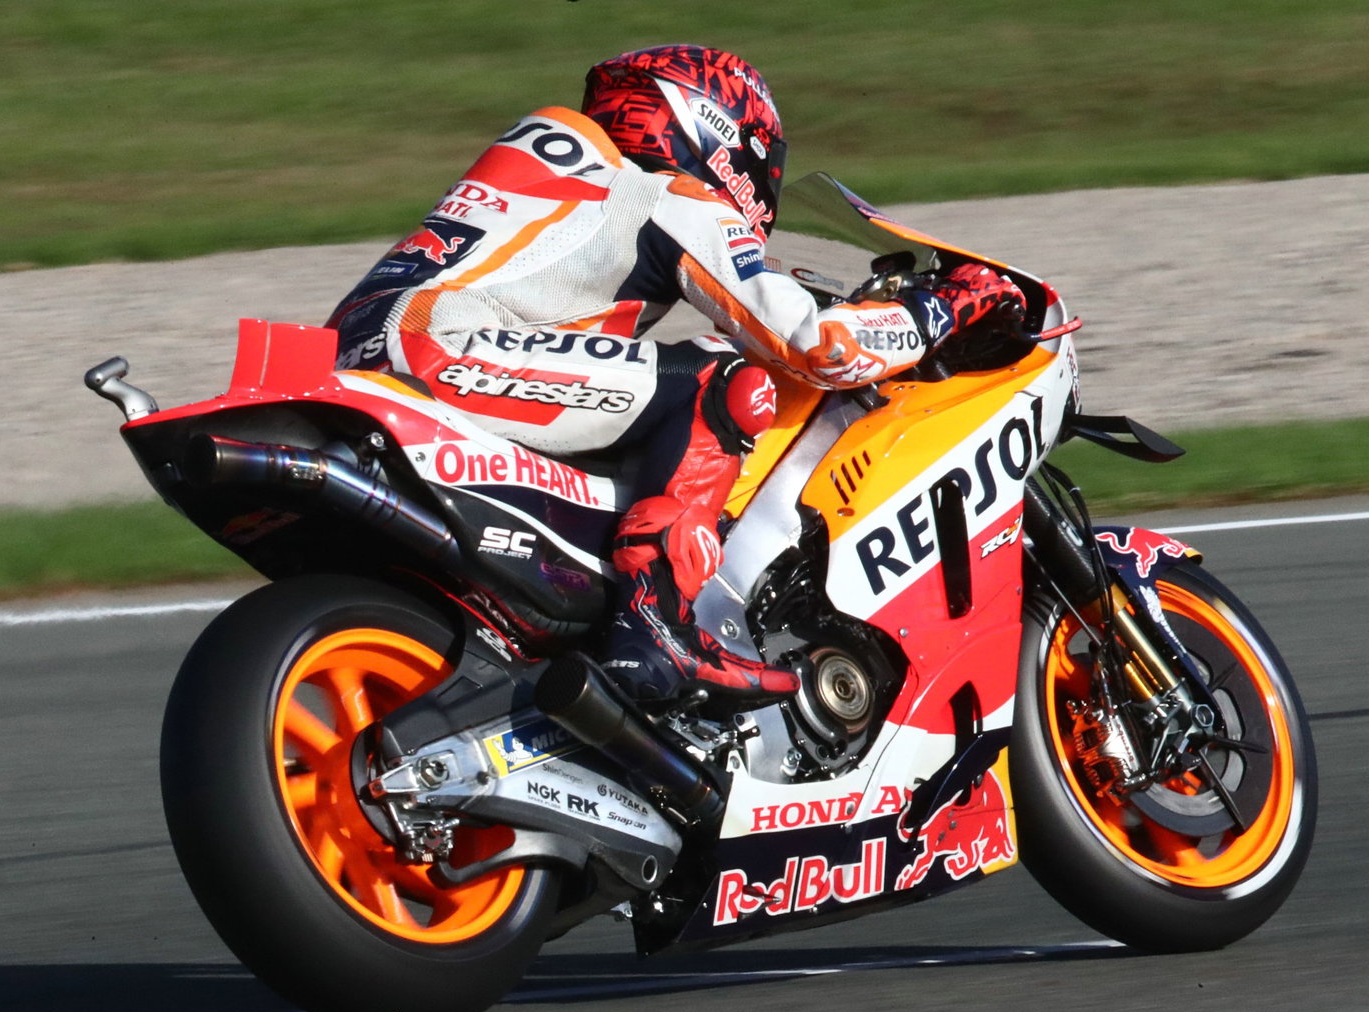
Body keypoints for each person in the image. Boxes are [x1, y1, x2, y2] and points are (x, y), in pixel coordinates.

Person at [326, 44, 1024, 705]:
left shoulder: (566, 173)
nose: (762, 186)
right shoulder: (665, 192)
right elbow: (813, 346)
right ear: (718, 133)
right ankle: (654, 624)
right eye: (761, 162)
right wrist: (943, 306)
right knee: (720, 383)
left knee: (641, 409)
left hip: (352, 358)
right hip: (440, 355)